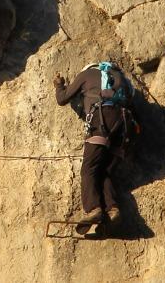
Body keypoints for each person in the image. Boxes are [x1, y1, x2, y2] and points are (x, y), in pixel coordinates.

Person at [53, 61, 137, 228]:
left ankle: (93, 209)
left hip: (102, 119)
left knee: (89, 168)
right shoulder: (119, 78)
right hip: (124, 126)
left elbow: (62, 99)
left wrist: (59, 85)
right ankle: (112, 209)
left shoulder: (86, 75)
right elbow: (131, 98)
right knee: (104, 170)